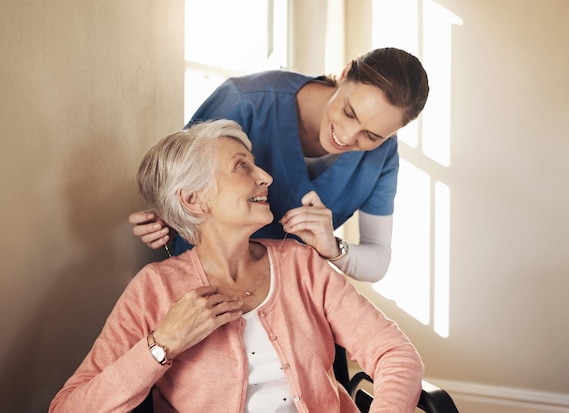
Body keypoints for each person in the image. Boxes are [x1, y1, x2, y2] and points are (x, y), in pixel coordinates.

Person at [49, 120, 423, 413]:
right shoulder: (154, 289)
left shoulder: (301, 264)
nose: (266, 177)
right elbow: (69, 408)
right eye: (242, 166)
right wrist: (161, 345)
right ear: (194, 200)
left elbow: (395, 354)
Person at [129, 47, 429, 282]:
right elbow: (180, 184)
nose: (348, 137)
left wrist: (333, 248)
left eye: (371, 135)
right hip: (207, 282)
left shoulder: (383, 155)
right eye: (350, 113)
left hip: (291, 296)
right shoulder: (245, 102)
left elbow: (378, 258)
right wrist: (170, 217)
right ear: (346, 72)